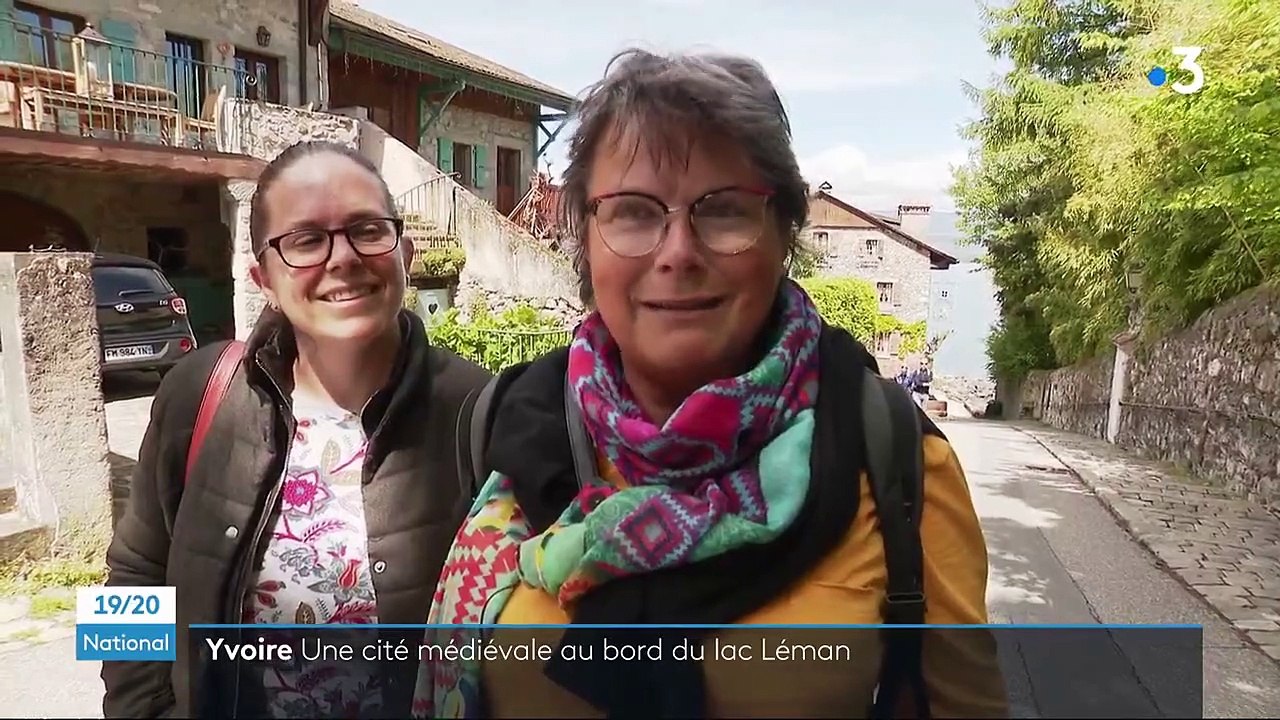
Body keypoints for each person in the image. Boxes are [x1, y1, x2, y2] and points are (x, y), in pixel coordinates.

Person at [412, 49, 1008, 719]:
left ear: (782, 232)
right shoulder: (509, 425)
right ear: (583, 236)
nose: (677, 252)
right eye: (634, 212)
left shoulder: (895, 459)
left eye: (722, 210)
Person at [100, 141, 491, 718]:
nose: (343, 257)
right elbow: (132, 576)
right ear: (264, 278)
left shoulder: (476, 410)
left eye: (367, 229)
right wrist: (138, 711)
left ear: (403, 251)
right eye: (306, 240)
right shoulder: (200, 392)